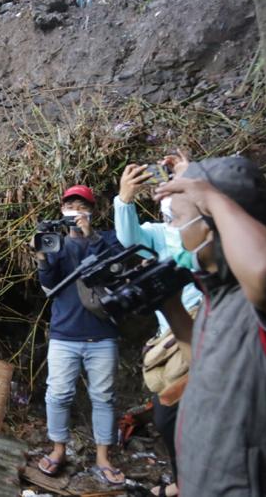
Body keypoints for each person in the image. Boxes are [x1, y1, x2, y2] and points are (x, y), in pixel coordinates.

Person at [156, 156, 266, 496]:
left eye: (177, 218)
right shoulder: (217, 292)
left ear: (211, 225)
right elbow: (207, 370)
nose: (173, 229)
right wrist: (172, 308)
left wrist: (213, 198)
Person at [114, 155, 203, 497]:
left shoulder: (202, 227)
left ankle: (184, 484)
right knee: (170, 415)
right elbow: (128, 238)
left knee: (174, 414)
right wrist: (124, 199)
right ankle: (184, 481)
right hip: (173, 330)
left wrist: (190, 175)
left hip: (204, 320)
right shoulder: (158, 233)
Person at [35, 185, 126, 486]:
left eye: (81, 205)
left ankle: (103, 457)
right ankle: (58, 449)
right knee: (58, 394)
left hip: (102, 335)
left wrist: (92, 237)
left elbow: (116, 268)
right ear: (62, 211)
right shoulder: (56, 243)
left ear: (92, 211)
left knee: (104, 397)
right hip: (64, 333)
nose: (75, 210)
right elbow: (48, 284)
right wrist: (41, 258)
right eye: (70, 205)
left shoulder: (108, 238)